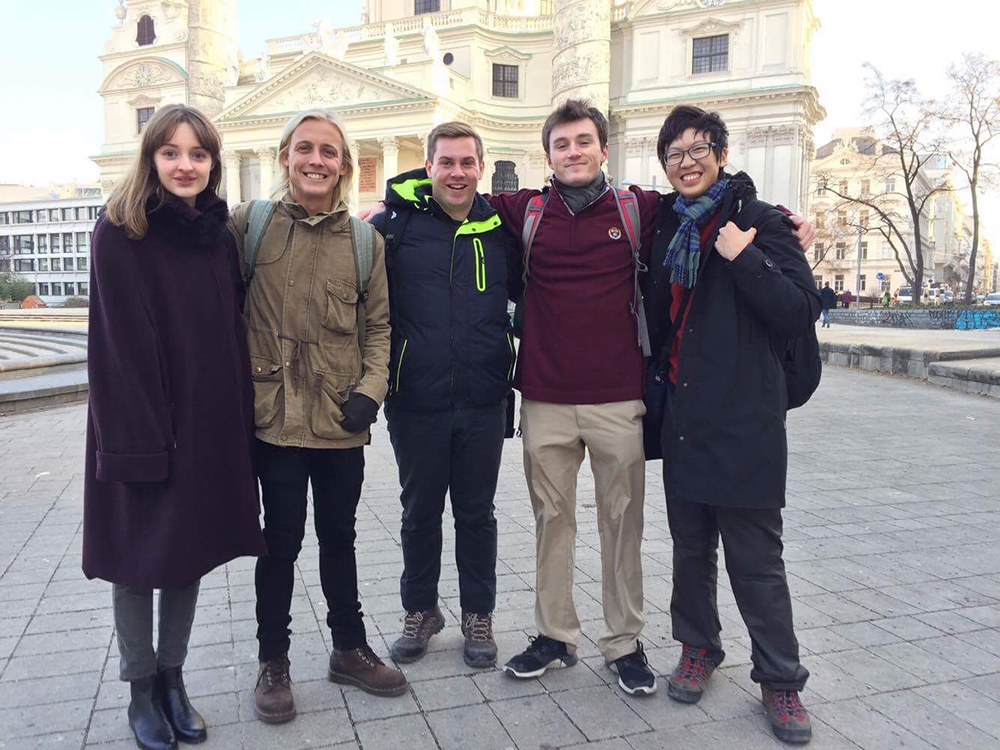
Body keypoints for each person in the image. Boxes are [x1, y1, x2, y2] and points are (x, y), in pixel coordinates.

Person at [83, 103, 267, 750]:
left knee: (185, 557)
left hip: (207, 425)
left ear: (213, 163)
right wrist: (140, 441)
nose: (185, 165)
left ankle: (173, 679)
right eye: (172, 153)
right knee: (136, 561)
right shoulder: (120, 230)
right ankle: (140, 688)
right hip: (137, 426)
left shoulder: (214, 235)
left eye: (198, 154)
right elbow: (117, 349)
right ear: (151, 158)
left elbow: (224, 336)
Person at [642, 105, 819, 744]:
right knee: (691, 551)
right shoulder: (663, 227)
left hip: (746, 420)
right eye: (674, 153)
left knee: (756, 560)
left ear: (720, 152)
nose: (686, 162)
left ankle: (780, 680)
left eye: (697, 149)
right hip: (686, 417)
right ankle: (699, 647)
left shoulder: (761, 221)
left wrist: (747, 258)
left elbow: (798, 312)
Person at [229, 109, 405, 725]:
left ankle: (348, 649)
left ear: (343, 165)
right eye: (305, 148)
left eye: (328, 152)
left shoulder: (364, 242)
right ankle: (272, 662)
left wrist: (372, 391)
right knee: (278, 545)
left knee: (340, 539)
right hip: (273, 417)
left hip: (338, 417)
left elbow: (380, 327)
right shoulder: (250, 226)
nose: (316, 160)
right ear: (285, 157)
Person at [369, 122, 522, 668]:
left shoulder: (501, 230)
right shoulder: (394, 228)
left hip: (483, 398)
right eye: (447, 162)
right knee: (419, 512)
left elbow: (536, 294)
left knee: (476, 514)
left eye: (467, 162)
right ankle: (420, 609)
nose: (457, 173)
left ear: (481, 167)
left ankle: (478, 615)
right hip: (416, 399)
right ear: (428, 166)